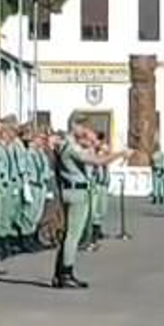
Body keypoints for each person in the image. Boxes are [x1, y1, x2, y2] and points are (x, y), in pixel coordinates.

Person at [53, 119, 128, 288]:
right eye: (84, 128)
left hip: (74, 190)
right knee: (73, 235)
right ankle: (65, 273)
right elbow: (97, 161)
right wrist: (120, 154)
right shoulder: (70, 147)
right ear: (75, 126)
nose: (87, 132)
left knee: (69, 235)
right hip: (76, 192)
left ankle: (60, 273)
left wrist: (93, 144)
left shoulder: (70, 145)